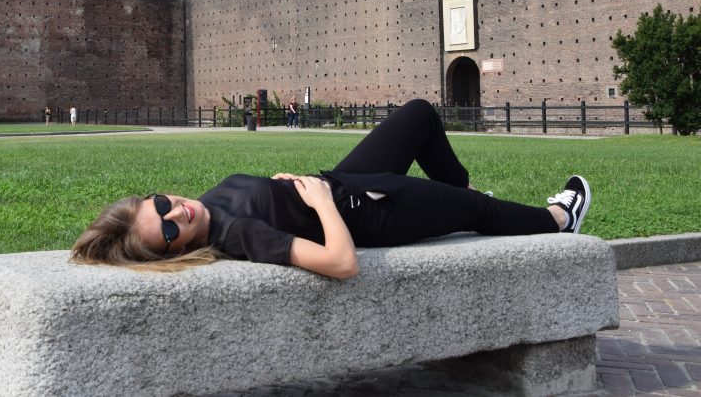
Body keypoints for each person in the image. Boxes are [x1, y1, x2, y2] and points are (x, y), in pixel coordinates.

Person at [72, 99, 592, 279]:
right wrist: (320, 205)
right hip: (373, 213)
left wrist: (285, 187)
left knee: (418, 116)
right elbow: (342, 264)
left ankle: (458, 191)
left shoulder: (207, 205)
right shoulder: (237, 235)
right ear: (174, 252)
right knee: (476, 211)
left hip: (344, 182)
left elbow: (266, 203)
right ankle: (559, 220)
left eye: (162, 205)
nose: (177, 215)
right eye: (167, 232)